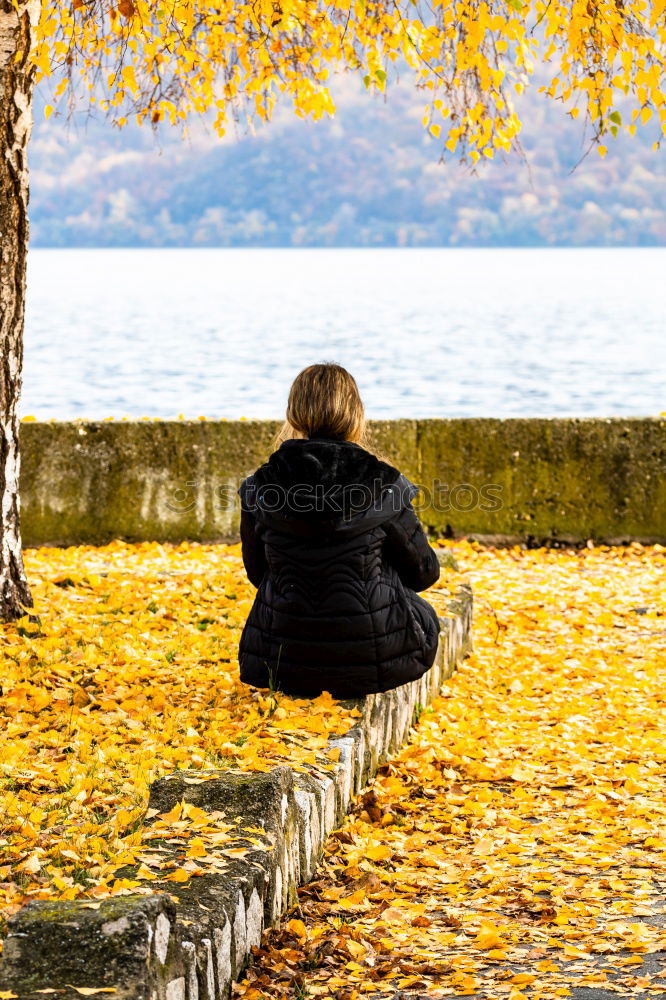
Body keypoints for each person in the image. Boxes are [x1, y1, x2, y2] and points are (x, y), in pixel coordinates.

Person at [237, 363, 441, 699]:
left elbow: (258, 573)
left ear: (294, 413)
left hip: (280, 658)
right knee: (423, 613)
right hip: (373, 660)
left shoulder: (260, 487)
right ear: (355, 414)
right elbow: (424, 574)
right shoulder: (385, 485)